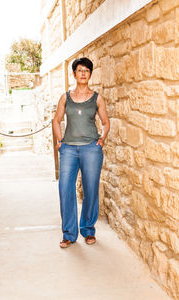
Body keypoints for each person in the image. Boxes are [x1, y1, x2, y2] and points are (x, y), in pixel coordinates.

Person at [53, 57, 110, 248]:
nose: (83, 73)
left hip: (91, 149)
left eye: (87, 70)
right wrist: (59, 140)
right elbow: (56, 120)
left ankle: (88, 230)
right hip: (68, 149)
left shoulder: (97, 98)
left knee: (91, 189)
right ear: (74, 74)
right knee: (65, 189)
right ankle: (69, 234)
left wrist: (102, 139)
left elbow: (105, 122)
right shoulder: (65, 97)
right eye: (80, 70)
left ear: (90, 74)